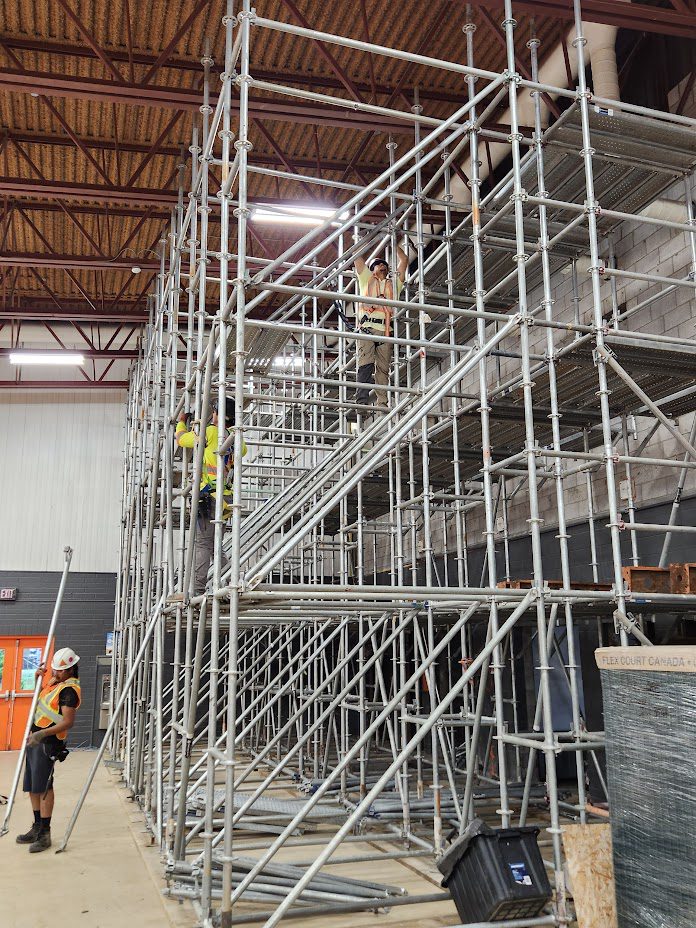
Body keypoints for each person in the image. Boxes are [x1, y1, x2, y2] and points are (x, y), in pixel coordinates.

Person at [176, 405, 247, 595]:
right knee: (215, 545)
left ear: (217, 415)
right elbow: (243, 451)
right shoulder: (237, 439)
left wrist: (181, 422)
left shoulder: (209, 432)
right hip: (226, 499)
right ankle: (230, 581)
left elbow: (182, 440)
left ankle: (197, 591)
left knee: (202, 544)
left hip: (209, 497)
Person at [17, 647, 81, 853]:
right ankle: (36, 826)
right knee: (32, 786)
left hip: (48, 743)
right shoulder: (54, 684)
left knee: (44, 787)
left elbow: (67, 722)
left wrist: (41, 735)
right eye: (55, 670)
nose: (56, 673)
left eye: (60, 671)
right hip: (35, 740)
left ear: (71, 669)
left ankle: (45, 833)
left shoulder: (69, 691)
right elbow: (41, 705)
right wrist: (38, 682)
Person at [351, 243, 408, 416]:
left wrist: (395, 243)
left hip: (385, 330)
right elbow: (356, 256)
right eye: (378, 264)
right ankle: (361, 402)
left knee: (383, 369)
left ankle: (382, 404)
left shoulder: (394, 284)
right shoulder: (366, 278)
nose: (382, 265)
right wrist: (365, 240)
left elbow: (404, 260)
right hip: (367, 328)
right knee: (365, 365)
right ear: (372, 268)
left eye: (384, 264)